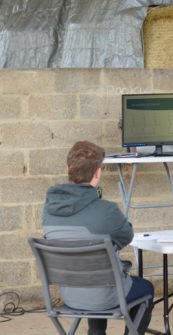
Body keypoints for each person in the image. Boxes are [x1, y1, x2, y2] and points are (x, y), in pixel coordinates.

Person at [42, 141, 154, 335]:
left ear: (67, 169)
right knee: (145, 288)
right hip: (106, 295)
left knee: (96, 278)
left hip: (70, 296)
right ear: (98, 172)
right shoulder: (106, 210)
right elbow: (127, 235)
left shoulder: (48, 211)